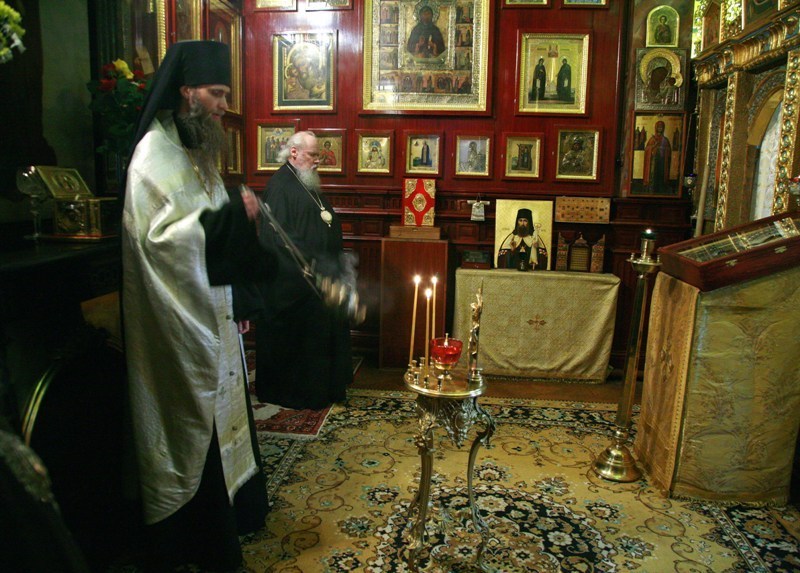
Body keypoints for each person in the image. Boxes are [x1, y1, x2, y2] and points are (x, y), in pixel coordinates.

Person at [122, 40, 271, 572]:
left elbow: (213, 230)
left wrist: (241, 289)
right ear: (186, 92)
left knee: (227, 413)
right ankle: (201, 541)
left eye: (226, 94)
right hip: (177, 320)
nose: (224, 106)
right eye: (217, 93)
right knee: (193, 422)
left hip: (215, 309)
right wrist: (229, 215)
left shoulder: (197, 153)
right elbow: (159, 242)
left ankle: (236, 515)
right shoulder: (152, 157)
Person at [255, 131, 354, 410]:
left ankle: (327, 388)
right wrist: (308, 270)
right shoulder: (280, 186)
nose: (317, 161)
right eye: (312, 155)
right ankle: (302, 393)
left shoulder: (305, 181)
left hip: (319, 276)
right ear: (294, 153)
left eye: (318, 155)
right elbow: (278, 240)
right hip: (295, 284)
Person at [643, 120, 672, 193]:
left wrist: (663, 149)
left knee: (661, 176)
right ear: (656, 128)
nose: (660, 129)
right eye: (658, 127)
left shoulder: (665, 140)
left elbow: (668, 150)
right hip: (653, 161)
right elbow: (647, 149)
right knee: (653, 176)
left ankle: (661, 190)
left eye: (661, 127)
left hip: (662, 162)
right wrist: (653, 147)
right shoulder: (652, 139)